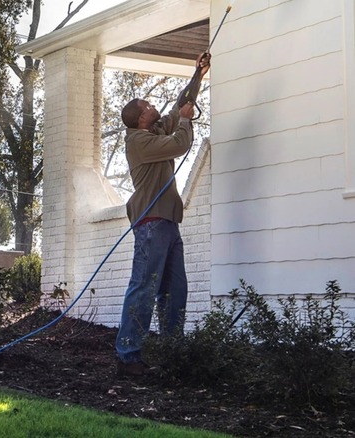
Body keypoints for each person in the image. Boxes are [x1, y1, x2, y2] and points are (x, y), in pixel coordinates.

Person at [115, 52, 211, 377]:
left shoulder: (151, 130)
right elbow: (180, 142)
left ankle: (172, 350)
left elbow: (176, 110)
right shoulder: (139, 142)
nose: (154, 107)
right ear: (141, 118)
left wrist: (197, 75)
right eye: (149, 106)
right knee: (144, 286)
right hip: (151, 223)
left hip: (168, 222)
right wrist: (185, 120)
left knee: (174, 289)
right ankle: (128, 357)